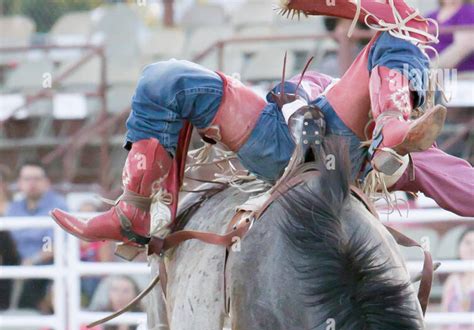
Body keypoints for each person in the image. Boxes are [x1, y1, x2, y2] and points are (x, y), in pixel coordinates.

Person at [51, 0, 473, 256]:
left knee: (403, 36)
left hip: (340, 145)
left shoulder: (383, 76)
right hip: (279, 132)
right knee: (162, 77)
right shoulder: (342, 76)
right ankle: (134, 210)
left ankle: (391, 129)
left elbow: (463, 187)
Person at [7, 162, 67, 310]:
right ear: (20, 183)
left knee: (39, 270)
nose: (32, 183)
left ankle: (27, 316)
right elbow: (9, 240)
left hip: (45, 261)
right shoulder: (14, 208)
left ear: (46, 182)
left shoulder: (59, 205)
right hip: (16, 260)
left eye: (37, 179)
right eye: (27, 179)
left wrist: (33, 260)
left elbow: (52, 244)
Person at [429, 0, 474, 73]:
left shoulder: (468, 12)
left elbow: (463, 46)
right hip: (432, 73)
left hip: (461, 75)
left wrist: (431, 68)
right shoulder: (431, 15)